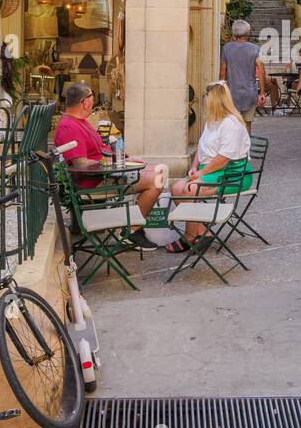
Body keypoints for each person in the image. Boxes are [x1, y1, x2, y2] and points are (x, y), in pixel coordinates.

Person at [55, 81, 164, 252]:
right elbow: (80, 163)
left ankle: (134, 224)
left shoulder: (79, 121)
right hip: (95, 183)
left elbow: (96, 152)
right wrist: (114, 163)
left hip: (105, 175)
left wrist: (120, 158)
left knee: (156, 169)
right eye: (92, 98)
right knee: (157, 180)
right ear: (85, 102)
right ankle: (132, 232)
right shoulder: (69, 126)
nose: (93, 102)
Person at [166, 81, 253, 254]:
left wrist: (202, 172)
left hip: (234, 173)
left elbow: (224, 158)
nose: (204, 102)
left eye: (207, 98)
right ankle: (202, 232)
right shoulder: (212, 120)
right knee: (176, 188)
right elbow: (201, 146)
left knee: (190, 189)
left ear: (215, 101)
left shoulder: (231, 123)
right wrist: (194, 166)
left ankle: (190, 236)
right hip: (211, 170)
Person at [219, 20, 267, 132]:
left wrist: (220, 90)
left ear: (234, 33)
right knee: (247, 125)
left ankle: (232, 148)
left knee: (231, 124)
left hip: (231, 94)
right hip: (250, 94)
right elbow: (261, 72)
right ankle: (245, 149)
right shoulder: (255, 49)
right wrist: (262, 92)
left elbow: (222, 72)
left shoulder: (227, 48)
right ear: (248, 32)